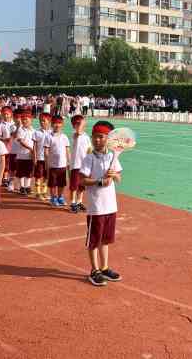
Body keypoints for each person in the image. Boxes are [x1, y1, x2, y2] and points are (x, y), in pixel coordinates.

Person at [79, 120, 122, 287]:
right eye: (95, 137)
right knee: (94, 241)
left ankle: (104, 268)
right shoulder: (89, 158)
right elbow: (82, 180)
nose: (97, 140)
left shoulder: (112, 156)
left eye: (101, 137)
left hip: (110, 206)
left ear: (108, 139)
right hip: (96, 207)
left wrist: (113, 175)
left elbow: (119, 178)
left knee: (105, 240)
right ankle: (94, 270)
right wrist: (98, 181)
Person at [44, 115, 70, 208]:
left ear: (62, 124)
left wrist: (69, 162)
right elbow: (46, 151)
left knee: (61, 183)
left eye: (59, 123)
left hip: (62, 165)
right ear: (52, 124)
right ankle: (53, 197)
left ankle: (60, 197)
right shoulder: (49, 137)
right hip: (53, 165)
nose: (57, 125)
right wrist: (47, 162)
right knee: (53, 183)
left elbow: (67, 150)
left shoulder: (65, 137)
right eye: (55, 123)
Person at [68, 114, 90, 212]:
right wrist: (81, 122)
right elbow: (78, 131)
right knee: (74, 186)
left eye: (80, 123)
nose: (80, 125)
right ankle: (72, 203)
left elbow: (89, 149)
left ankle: (79, 202)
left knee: (82, 186)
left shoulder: (86, 136)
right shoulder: (75, 134)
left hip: (84, 165)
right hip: (76, 165)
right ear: (74, 125)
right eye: (77, 123)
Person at [33, 112, 51, 200]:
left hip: (49, 159)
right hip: (40, 158)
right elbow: (34, 146)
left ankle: (44, 192)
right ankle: (38, 192)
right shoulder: (36, 132)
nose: (42, 122)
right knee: (38, 175)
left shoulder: (52, 132)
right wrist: (35, 157)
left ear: (49, 121)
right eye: (41, 121)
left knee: (46, 176)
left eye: (44, 121)